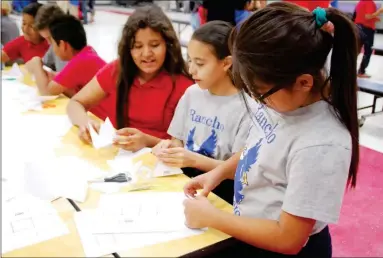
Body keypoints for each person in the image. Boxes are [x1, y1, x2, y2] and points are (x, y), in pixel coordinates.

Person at [183, 3, 360, 257]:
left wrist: (213, 217)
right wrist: (220, 172)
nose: (256, 99)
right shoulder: (283, 98)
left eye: (259, 92)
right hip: (251, 230)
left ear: (303, 83)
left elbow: (288, 238)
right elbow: (261, 147)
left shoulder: (320, 145)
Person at [66, 5, 193, 152]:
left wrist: (147, 141)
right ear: (128, 49)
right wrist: (85, 123)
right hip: (121, 160)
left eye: (155, 45)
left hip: (165, 166)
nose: (146, 53)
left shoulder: (184, 85)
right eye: (138, 46)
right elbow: (75, 103)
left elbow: (189, 146)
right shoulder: (117, 70)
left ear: (168, 45)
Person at [153, 21, 251, 204]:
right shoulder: (192, 94)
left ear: (226, 63)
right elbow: (178, 139)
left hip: (222, 196)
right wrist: (170, 150)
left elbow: (239, 170)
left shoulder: (247, 107)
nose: (191, 70)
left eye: (199, 63)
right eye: (189, 60)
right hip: (184, 186)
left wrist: (193, 160)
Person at [25, 3, 67, 87]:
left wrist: (36, 63)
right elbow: (35, 65)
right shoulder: (54, 46)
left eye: (50, 38)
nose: (48, 43)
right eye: (45, 38)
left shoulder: (72, 48)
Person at [354, 0, 383, 78]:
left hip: (358, 27)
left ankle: (348, 69)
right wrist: (379, 11)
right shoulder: (369, 2)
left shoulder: (361, 2)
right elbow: (367, 16)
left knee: (356, 50)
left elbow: (361, 16)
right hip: (367, 30)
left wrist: (374, 19)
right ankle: (361, 71)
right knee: (368, 51)